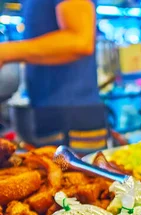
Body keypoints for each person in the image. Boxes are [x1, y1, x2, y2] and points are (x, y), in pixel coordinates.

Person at [0, 0, 107, 152]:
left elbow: (80, 40)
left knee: (78, 175)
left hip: (73, 121)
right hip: (49, 115)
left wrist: (5, 52)